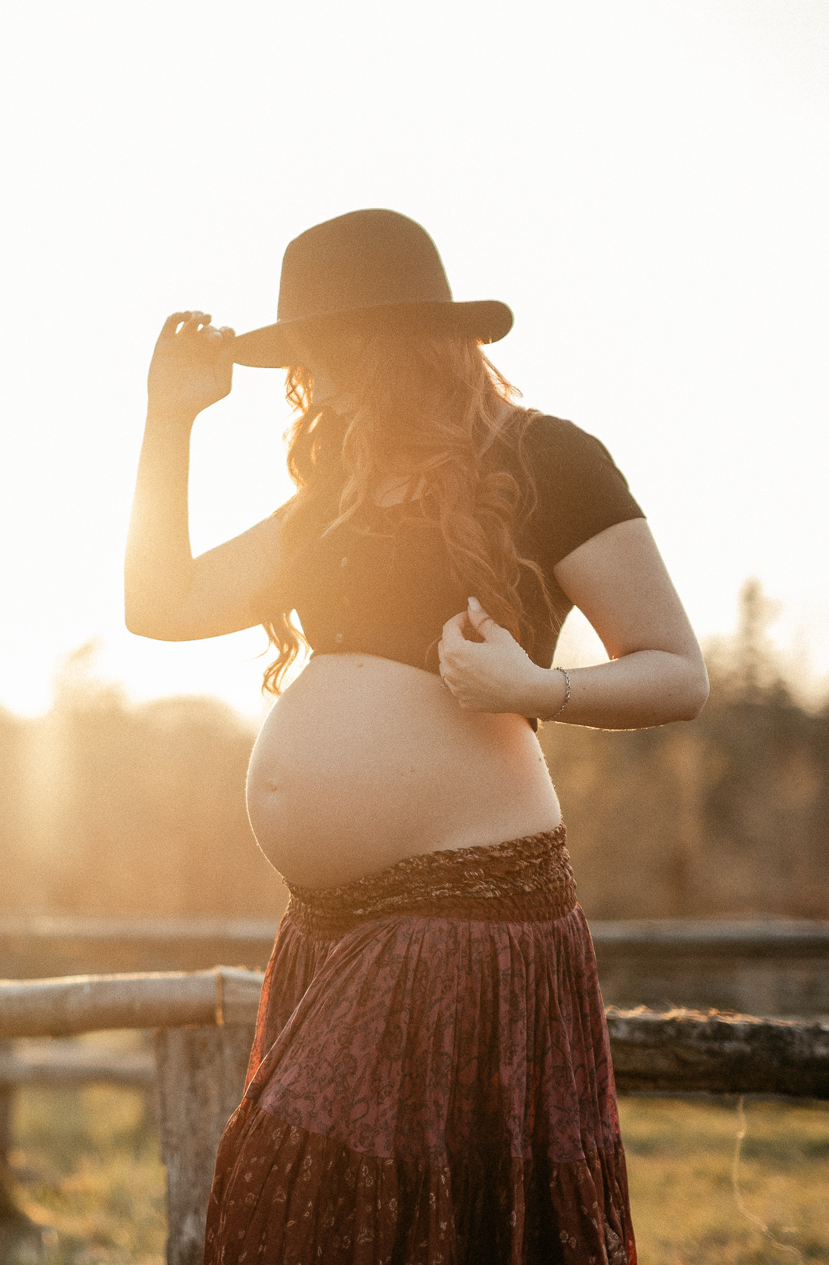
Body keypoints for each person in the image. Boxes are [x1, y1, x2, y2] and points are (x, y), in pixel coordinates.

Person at [123, 209, 706, 1264]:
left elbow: (676, 668)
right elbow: (159, 602)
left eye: (327, 340)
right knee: (331, 1216)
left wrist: (537, 684)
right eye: (296, 348)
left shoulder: (545, 459)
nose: (307, 370)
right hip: (329, 922)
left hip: (464, 912)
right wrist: (171, 422)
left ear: (401, 337)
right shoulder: (327, 501)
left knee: (319, 1187)